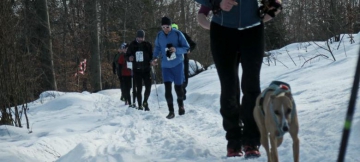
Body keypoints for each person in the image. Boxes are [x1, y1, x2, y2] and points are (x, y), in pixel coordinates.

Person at [194, 0, 282, 158]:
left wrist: (263, 15)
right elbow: (202, 14)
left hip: (253, 33)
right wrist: (217, 4)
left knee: (252, 86)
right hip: (222, 33)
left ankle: (251, 141)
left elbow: (276, 4)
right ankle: (233, 141)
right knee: (229, 87)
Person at [151, 17, 190, 119]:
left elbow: (186, 48)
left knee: (178, 88)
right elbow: (157, 48)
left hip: (178, 64)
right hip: (165, 65)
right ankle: (171, 111)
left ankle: (181, 105)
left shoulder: (177, 34)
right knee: (167, 89)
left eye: (167, 27)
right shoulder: (159, 35)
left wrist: (176, 49)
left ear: (170, 25)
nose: (165, 29)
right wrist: (155, 58)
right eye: (163, 27)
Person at [126, 30, 153, 111]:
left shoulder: (147, 44)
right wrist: (129, 58)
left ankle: (145, 101)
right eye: (139, 38)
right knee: (139, 88)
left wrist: (152, 61)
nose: (140, 39)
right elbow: (127, 55)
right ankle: (140, 104)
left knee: (148, 87)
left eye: (142, 38)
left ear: (144, 37)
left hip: (146, 69)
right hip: (137, 70)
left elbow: (152, 55)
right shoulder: (132, 44)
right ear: (136, 37)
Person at [170, 22, 197, 100]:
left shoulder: (183, 35)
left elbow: (193, 44)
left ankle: (182, 92)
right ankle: (180, 93)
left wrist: (189, 50)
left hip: (183, 58)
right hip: (173, 60)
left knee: (184, 75)